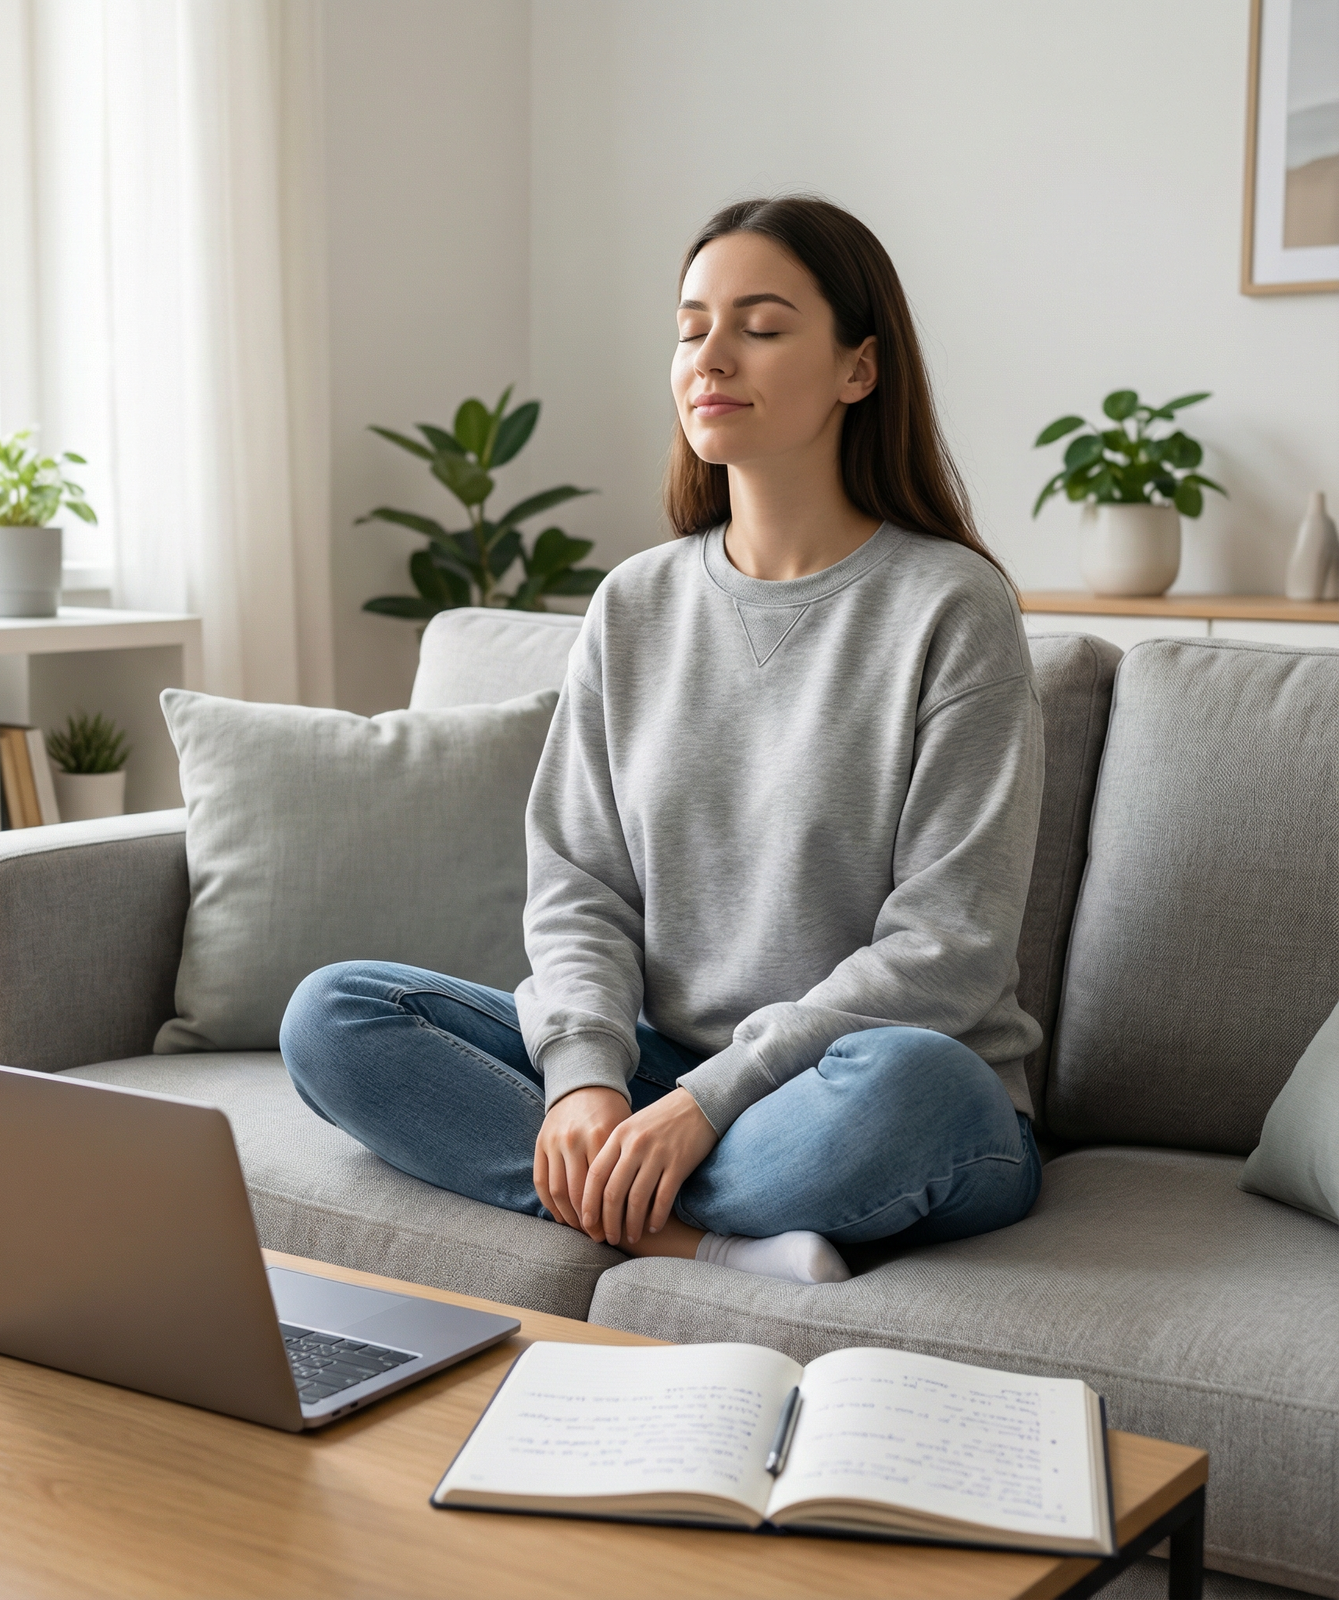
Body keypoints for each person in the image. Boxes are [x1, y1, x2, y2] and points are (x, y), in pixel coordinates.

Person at [281, 195, 1045, 1286]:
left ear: (857, 369)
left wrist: (706, 1103)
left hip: (859, 1086)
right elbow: (580, 883)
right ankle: (703, 1239)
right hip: (660, 1069)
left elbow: (950, 947)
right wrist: (588, 1077)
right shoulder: (634, 601)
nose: (711, 356)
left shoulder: (950, 607)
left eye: (761, 326)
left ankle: (627, 1190)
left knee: (915, 1088)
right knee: (336, 1014)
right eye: (691, 328)